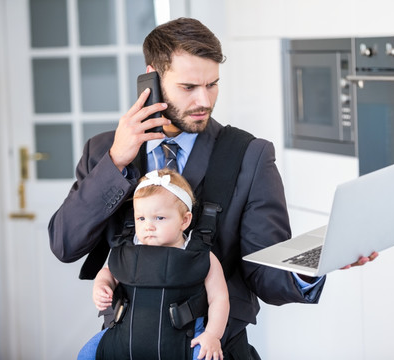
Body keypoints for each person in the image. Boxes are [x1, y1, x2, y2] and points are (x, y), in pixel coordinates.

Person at [49, 17, 377, 358]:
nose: (204, 100)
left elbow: (265, 272)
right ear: (153, 78)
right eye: (189, 87)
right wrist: (116, 161)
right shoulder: (104, 152)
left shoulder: (250, 155)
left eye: (213, 84)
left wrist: (318, 261)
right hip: (124, 347)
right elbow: (65, 244)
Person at [78, 169, 228, 360]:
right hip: (124, 338)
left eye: (159, 218)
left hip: (184, 341)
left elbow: (219, 298)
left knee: (208, 356)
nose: (148, 226)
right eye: (141, 218)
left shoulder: (199, 255)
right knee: (86, 354)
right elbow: (109, 272)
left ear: (184, 220)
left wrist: (213, 335)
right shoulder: (129, 250)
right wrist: (101, 286)